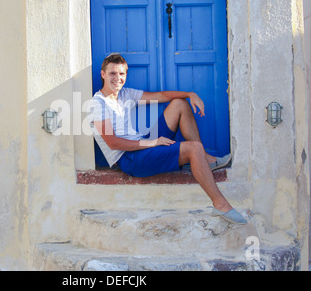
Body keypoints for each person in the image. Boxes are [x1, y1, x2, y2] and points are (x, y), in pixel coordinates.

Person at [88, 54, 247, 225]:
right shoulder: (98, 104)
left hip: (142, 145)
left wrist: (189, 94)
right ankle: (220, 204)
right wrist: (153, 142)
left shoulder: (124, 94)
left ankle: (206, 159)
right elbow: (113, 143)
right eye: (112, 73)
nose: (118, 78)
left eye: (122, 74)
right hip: (129, 159)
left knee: (179, 103)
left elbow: (161, 95)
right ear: (103, 74)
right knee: (193, 149)